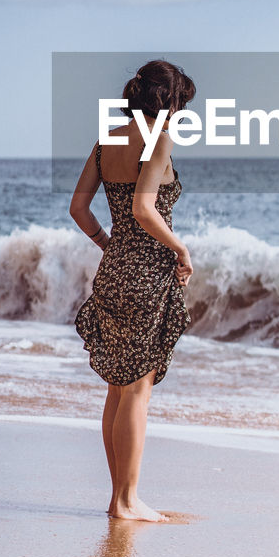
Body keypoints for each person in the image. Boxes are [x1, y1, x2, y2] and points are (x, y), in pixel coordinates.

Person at [70, 59, 196, 522]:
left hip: (113, 269)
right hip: (145, 278)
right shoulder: (158, 140)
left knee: (117, 389)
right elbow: (145, 208)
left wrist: (108, 243)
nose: (181, 115)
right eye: (181, 104)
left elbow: (78, 208)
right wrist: (180, 248)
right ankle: (127, 500)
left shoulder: (106, 143)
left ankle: (117, 497)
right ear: (167, 100)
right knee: (137, 390)